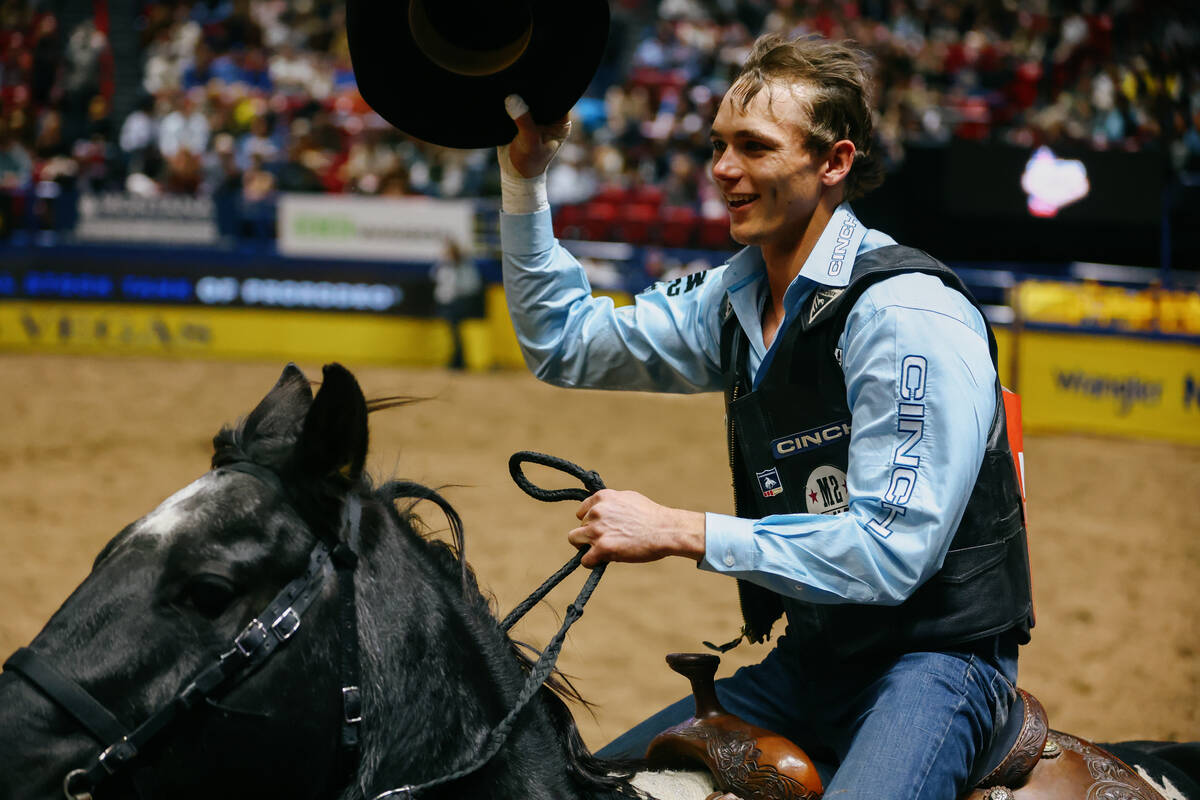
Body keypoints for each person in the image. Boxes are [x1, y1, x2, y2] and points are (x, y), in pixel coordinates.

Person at [496, 32, 1034, 800]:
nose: (721, 169)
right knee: (584, 790)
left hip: (938, 666)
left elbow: (891, 552)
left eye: (753, 146)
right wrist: (525, 179)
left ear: (834, 163)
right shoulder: (733, 300)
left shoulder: (904, 313)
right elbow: (564, 342)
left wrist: (679, 529)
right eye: (718, 145)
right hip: (811, 663)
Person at [431, 238, 483, 370]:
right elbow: (434, 276)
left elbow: (471, 285)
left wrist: (459, 295)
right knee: (454, 333)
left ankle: (458, 361)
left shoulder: (465, 266)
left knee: (456, 333)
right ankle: (457, 360)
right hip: (449, 303)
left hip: (458, 303)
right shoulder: (445, 265)